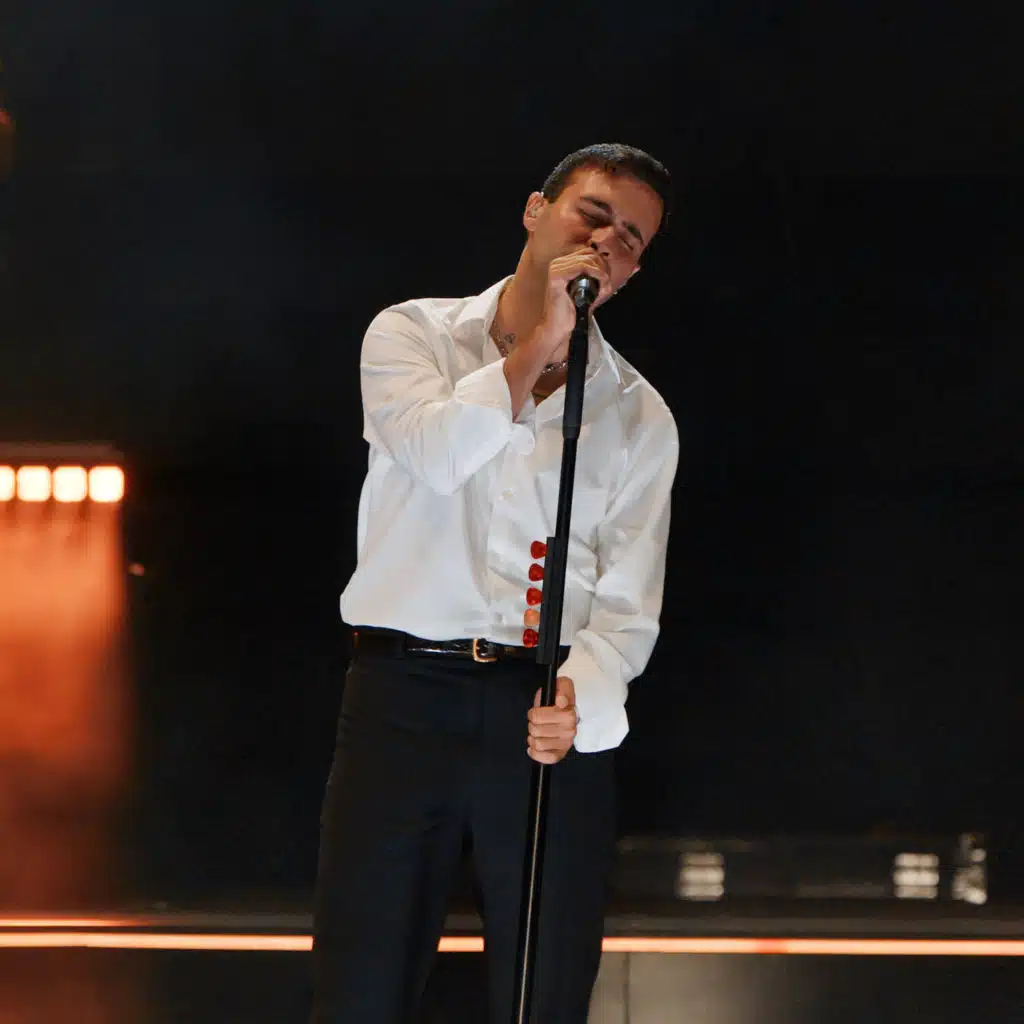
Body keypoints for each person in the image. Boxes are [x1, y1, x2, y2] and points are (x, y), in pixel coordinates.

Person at [311, 143, 679, 1023]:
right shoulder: (412, 336)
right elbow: (437, 454)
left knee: (542, 991)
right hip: (402, 697)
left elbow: (628, 603)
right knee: (363, 986)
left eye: (630, 240)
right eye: (594, 214)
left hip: (539, 708)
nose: (607, 243)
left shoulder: (638, 414)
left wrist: (582, 694)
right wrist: (544, 338)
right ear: (535, 210)